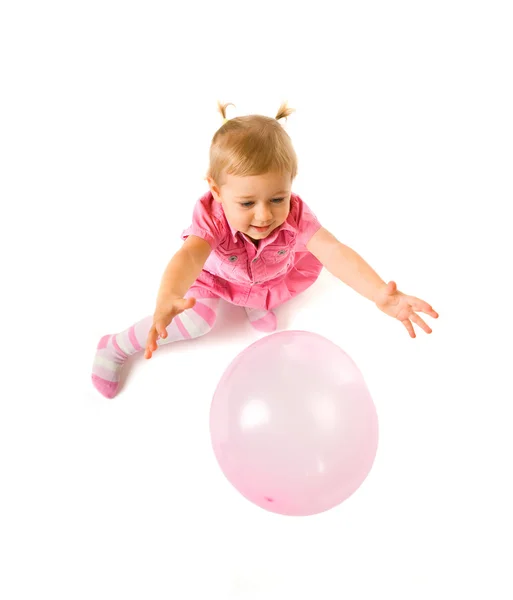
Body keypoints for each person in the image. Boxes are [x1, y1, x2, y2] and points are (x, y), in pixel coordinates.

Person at [92, 101, 438, 399]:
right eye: (246, 202)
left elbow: (333, 251)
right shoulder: (212, 219)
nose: (264, 215)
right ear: (216, 190)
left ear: (291, 183)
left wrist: (380, 293)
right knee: (199, 321)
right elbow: (190, 256)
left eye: (277, 198)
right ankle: (115, 346)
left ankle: (253, 302)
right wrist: (168, 295)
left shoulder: (296, 216)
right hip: (216, 278)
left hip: (266, 275)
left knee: (272, 290)